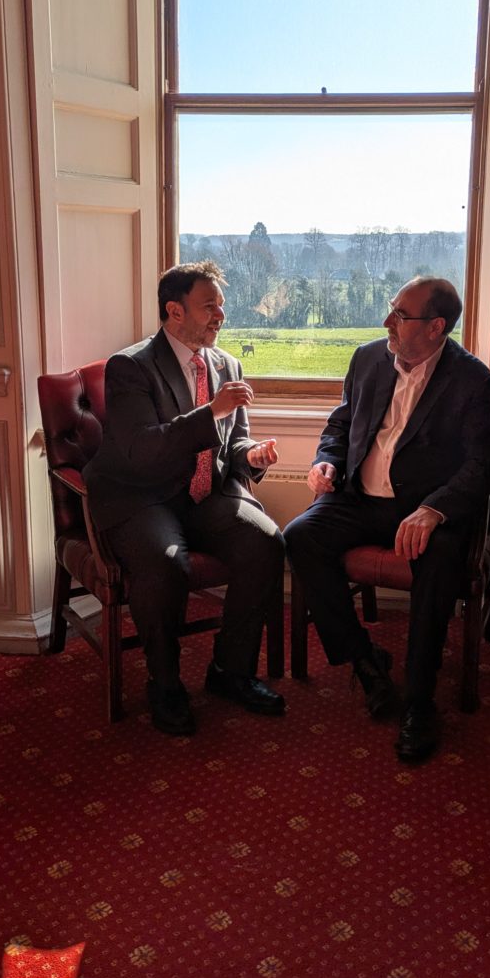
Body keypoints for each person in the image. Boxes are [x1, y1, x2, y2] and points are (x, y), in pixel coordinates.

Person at [284, 277, 490, 762]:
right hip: (361, 499)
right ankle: (365, 662)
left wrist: (434, 509)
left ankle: (420, 703)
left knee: (440, 562)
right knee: (300, 536)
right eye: (391, 310)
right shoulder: (367, 358)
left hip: (428, 511)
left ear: (436, 327)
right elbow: (341, 424)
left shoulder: (473, 381)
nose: (387, 321)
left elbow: (483, 464)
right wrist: (328, 462)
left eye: (400, 315)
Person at [84, 261, 286, 736]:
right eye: (209, 305)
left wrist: (252, 455)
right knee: (164, 561)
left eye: (221, 303)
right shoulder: (130, 367)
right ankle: (166, 683)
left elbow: (233, 443)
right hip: (143, 496)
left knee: (268, 542)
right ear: (175, 310)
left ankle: (230, 672)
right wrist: (210, 411)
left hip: (203, 494)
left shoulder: (226, 364)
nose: (221, 314)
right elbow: (140, 450)